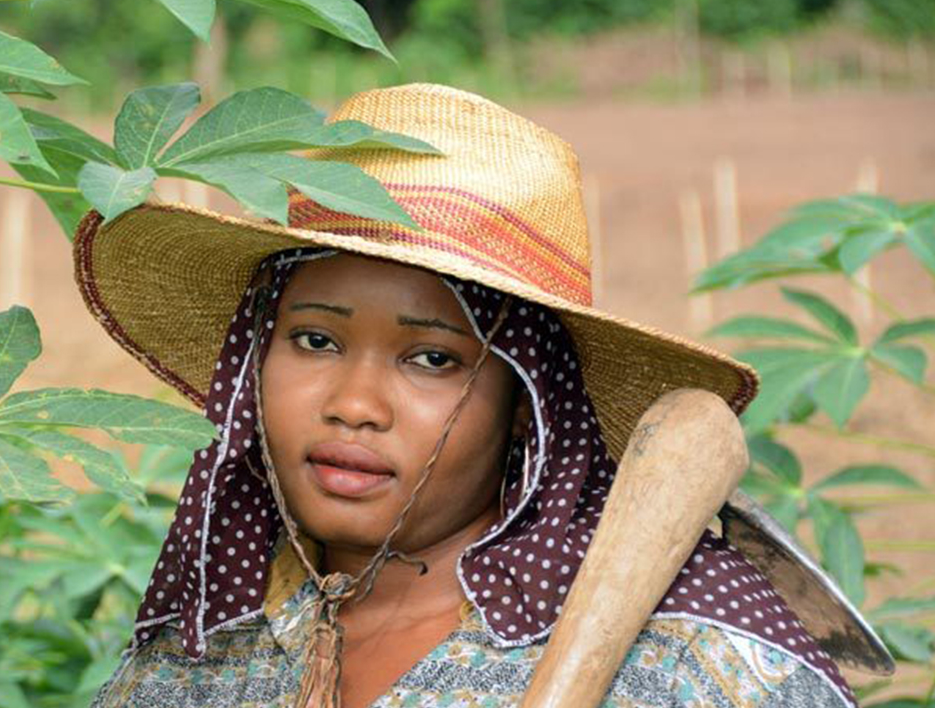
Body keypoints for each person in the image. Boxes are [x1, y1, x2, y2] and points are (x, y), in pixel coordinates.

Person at [70, 84, 886, 707]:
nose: (355, 403)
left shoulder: (691, 666)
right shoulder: (198, 654)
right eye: (315, 340)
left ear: (527, 401)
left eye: (431, 358)